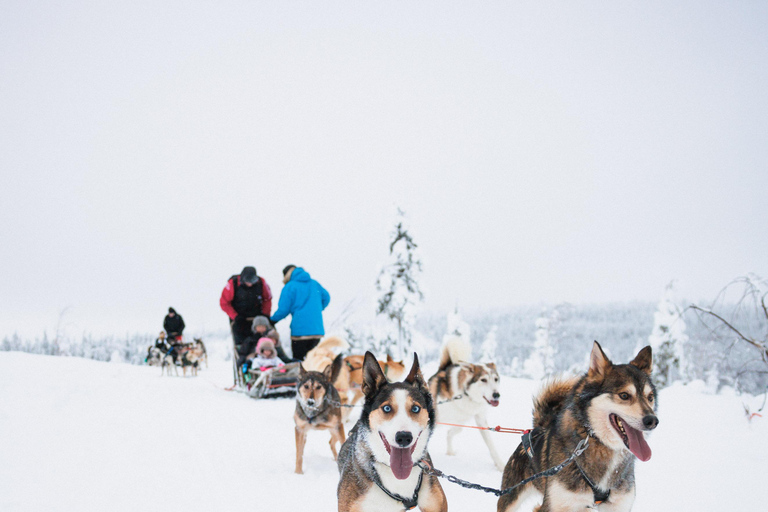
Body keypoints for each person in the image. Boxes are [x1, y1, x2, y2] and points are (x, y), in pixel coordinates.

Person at [270, 265, 330, 361]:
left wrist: (272, 320)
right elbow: (326, 297)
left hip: (300, 332)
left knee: (299, 362)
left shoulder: (290, 286)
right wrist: (317, 309)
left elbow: (284, 309)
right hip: (316, 331)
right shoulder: (314, 284)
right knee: (313, 361)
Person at [220, 266, 273, 364]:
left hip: (257, 319)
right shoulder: (233, 283)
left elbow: (267, 298)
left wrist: (265, 314)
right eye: (247, 281)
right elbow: (224, 303)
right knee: (243, 343)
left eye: (252, 281)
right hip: (239, 319)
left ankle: (269, 359)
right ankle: (244, 362)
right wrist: (235, 316)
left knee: (264, 338)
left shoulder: (261, 282)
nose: (250, 284)